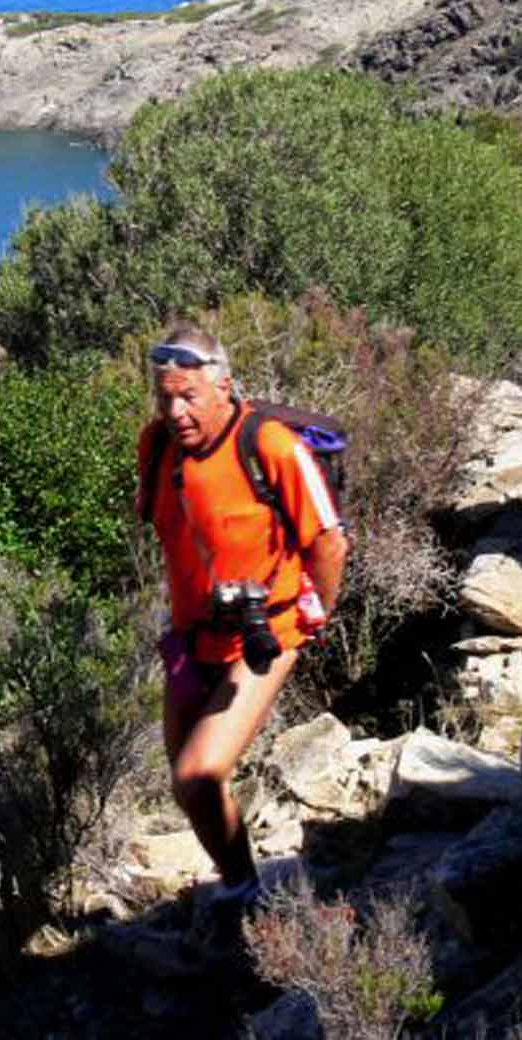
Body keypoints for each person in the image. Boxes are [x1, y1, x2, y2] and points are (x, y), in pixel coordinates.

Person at [135, 323, 348, 913]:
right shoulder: (155, 446)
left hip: (268, 633)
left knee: (199, 773)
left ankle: (246, 896)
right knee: (187, 781)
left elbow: (329, 542)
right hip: (190, 637)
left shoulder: (271, 446)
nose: (175, 410)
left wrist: (315, 614)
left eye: (188, 396)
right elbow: (172, 531)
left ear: (223, 386)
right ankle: (240, 885)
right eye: (165, 397)